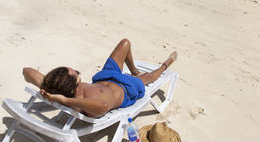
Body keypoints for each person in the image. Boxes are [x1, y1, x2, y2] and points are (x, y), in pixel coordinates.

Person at [22, 39, 177, 118]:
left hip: (106, 76)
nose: (78, 72)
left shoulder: (57, 87)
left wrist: (46, 85)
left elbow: (27, 71)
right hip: (126, 89)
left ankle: (134, 70)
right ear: (76, 84)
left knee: (125, 43)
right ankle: (166, 64)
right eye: (76, 72)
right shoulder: (79, 103)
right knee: (148, 77)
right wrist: (63, 101)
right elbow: (103, 106)